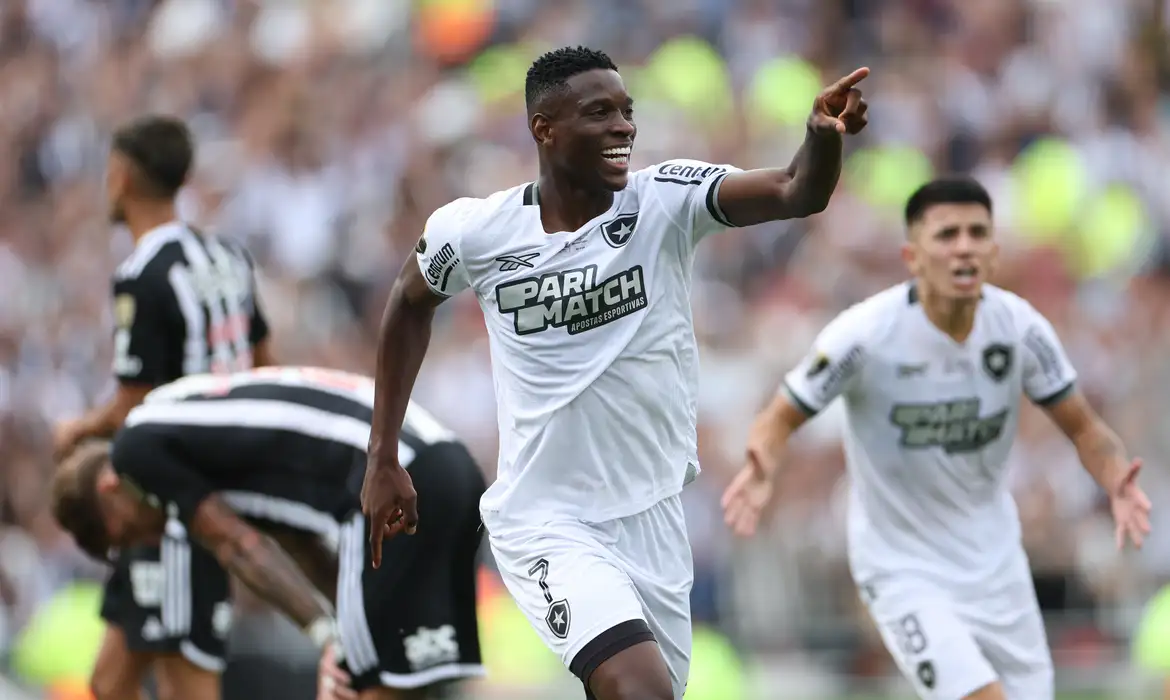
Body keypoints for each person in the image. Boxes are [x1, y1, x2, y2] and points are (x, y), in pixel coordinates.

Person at [361, 45, 869, 700]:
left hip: (653, 520)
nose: (623, 126)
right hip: (547, 521)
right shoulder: (476, 231)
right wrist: (382, 455)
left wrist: (820, 137)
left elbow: (796, 190)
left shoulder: (666, 201)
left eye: (627, 111)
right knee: (638, 688)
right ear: (545, 128)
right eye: (599, 112)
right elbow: (408, 302)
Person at [721, 177, 1153, 700]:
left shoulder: (1019, 329)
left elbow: (1083, 426)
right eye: (947, 235)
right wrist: (762, 465)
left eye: (977, 233)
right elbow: (781, 415)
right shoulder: (865, 334)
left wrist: (1115, 478)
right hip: (903, 568)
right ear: (912, 256)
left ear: (994, 252)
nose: (964, 247)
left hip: (996, 566)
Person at [50, 366, 487, 700]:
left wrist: (327, 636)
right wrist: (343, 627)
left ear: (109, 488)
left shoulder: (135, 449)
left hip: (385, 484)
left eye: (126, 534)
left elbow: (238, 546)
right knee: (411, 683)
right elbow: (301, 544)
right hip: (450, 468)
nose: (150, 538)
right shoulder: (206, 437)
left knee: (354, 688)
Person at [49, 115, 274, 700]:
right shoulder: (227, 256)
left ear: (122, 176)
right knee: (109, 682)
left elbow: (134, 402)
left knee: (186, 686)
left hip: (174, 503)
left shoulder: (143, 272)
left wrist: (78, 429)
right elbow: (265, 363)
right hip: (218, 484)